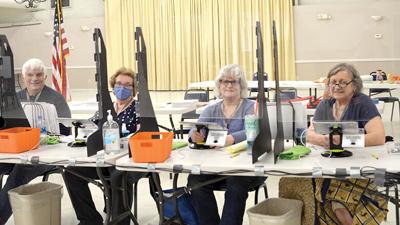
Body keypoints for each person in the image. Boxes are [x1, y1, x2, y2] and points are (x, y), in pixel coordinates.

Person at [307, 63, 388, 225]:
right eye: (333, 82)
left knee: (339, 203)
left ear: (354, 85)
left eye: (343, 82)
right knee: (299, 184)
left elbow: (379, 137)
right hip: (329, 165)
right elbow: (309, 134)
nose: (337, 86)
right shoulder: (325, 104)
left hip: (359, 166)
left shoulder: (362, 103)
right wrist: (322, 140)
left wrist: (344, 141)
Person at [63, 67, 146, 225]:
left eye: (128, 85)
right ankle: (90, 219)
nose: (122, 88)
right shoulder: (106, 108)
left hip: (128, 160)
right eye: (119, 83)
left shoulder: (139, 109)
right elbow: (91, 127)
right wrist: (82, 130)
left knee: (118, 176)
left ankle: (119, 221)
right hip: (104, 158)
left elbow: (142, 134)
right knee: (71, 172)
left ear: (134, 89)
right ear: (113, 86)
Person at [187, 64, 266, 225]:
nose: (228, 85)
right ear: (219, 85)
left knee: (236, 184)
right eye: (224, 81)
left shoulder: (252, 107)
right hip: (215, 167)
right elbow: (194, 130)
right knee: (195, 182)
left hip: (245, 168)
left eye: (233, 81)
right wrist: (194, 136)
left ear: (241, 85)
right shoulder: (212, 109)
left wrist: (231, 138)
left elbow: (256, 129)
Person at [0, 58, 71, 225]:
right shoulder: (15, 98)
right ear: (23, 77)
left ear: (45, 77)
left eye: (39, 74)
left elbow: (66, 131)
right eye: (30, 75)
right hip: (18, 151)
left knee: (20, 171)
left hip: (47, 154)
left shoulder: (56, 98)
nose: (34, 78)